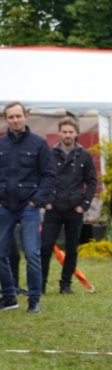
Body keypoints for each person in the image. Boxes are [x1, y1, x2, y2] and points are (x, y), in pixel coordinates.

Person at [0, 101, 57, 313]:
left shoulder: (38, 144)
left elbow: (50, 175)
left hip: (29, 207)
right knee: (0, 252)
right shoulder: (1, 145)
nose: (15, 120)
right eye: (11, 117)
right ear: (6, 119)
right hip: (5, 206)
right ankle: (9, 296)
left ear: (26, 116)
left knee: (32, 254)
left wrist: (37, 200)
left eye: (18, 116)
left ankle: (34, 301)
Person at [41, 116, 97, 295]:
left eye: (71, 132)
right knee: (45, 247)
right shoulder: (49, 154)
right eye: (64, 131)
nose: (67, 135)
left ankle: (65, 284)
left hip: (75, 209)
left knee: (72, 248)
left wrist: (84, 205)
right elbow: (42, 178)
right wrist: (46, 201)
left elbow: (92, 181)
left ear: (77, 133)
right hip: (54, 208)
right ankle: (40, 284)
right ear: (59, 133)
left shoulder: (85, 155)